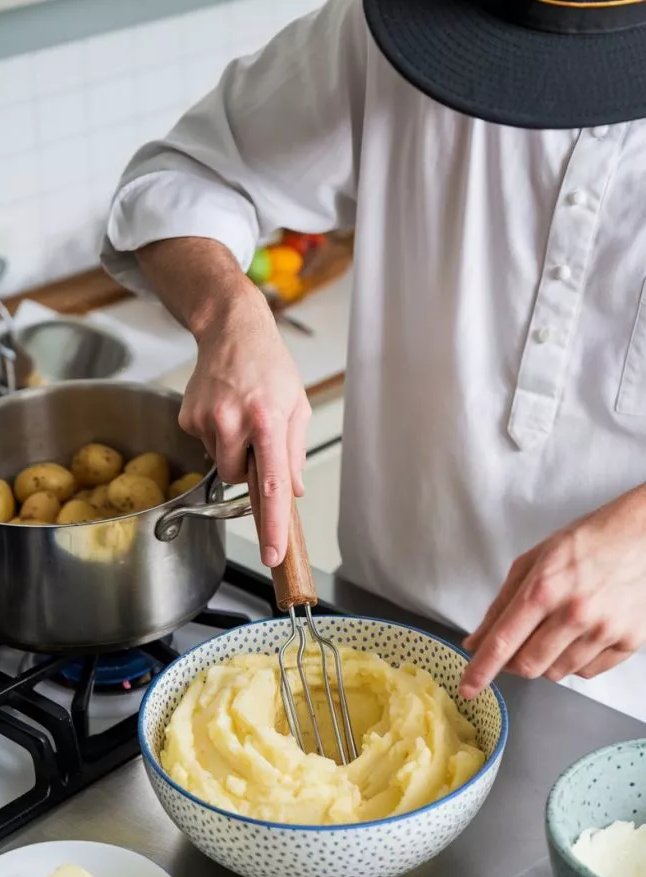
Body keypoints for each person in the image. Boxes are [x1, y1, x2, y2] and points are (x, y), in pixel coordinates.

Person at [102, 0, 646, 721]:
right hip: (384, 633)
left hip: (623, 709)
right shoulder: (399, 27)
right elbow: (181, 178)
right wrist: (229, 314)